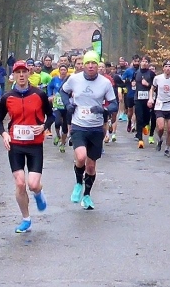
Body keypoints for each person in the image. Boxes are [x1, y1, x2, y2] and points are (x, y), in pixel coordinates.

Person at [0, 60, 55, 233]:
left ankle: (38, 193)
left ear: (29, 73)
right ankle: (26, 219)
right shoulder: (7, 97)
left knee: (33, 184)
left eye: (24, 72)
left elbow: (51, 116)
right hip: (15, 145)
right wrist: (4, 134)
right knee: (20, 184)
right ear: (13, 75)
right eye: (18, 72)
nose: (21, 75)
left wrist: (43, 127)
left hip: (35, 145)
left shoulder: (39, 94)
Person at [60, 51, 117, 210]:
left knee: (91, 166)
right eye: (88, 63)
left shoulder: (105, 83)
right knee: (81, 157)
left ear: (98, 65)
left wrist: (104, 109)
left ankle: (87, 195)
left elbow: (114, 104)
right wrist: (67, 104)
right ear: (83, 65)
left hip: (96, 128)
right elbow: (63, 91)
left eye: (94, 63)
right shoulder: (74, 79)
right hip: (79, 125)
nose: (91, 66)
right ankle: (78, 183)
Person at [150, 60, 170, 157]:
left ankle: (167, 149)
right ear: (163, 68)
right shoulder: (157, 78)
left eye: (169, 66)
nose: (168, 68)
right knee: (160, 127)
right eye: (166, 66)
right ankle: (160, 139)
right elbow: (152, 89)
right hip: (160, 104)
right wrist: (150, 98)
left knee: (169, 130)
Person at [47, 64, 70, 152]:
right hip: (57, 105)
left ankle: (62, 144)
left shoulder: (69, 80)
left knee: (65, 127)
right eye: (61, 70)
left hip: (66, 106)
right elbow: (49, 87)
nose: (63, 72)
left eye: (64, 70)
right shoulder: (55, 79)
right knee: (57, 122)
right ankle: (58, 135)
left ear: (67, 71)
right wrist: (50, 95)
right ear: (59, 71)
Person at [133, 56, 155, 148]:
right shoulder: (136, 72)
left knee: (146, 117)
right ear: (140, 62)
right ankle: (140, 139)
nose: (144, 63)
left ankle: (146, 125)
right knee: (139, 118)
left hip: (147, 99)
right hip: (138, 98)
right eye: (143, 61)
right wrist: (133, 83)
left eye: (146, 61)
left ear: (148, 64)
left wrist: (147, 84)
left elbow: (155, 86)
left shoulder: (151, 74)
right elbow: (133, 81)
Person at [121, 55, 140, 132]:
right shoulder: (128, 71)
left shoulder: (141, 71)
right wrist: (128, 81)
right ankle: (129, 121)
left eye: (138, 61)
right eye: (135, 61)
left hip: (139, 94)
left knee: (137, 110)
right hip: (130, 93)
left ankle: (133, 125)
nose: (137, 63)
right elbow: (122, 80)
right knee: (130, 111)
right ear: (132, 61)